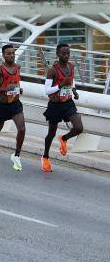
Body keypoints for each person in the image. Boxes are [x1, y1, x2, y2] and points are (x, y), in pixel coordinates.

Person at [41, 43, 84, 172]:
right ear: (57, 54)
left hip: (68, 103)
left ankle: (64, 138)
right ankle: (45, 157)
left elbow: (71, 81)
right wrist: (60, 85)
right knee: (51, 133)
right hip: (55, 105)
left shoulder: (71, 66)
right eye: (63, 53)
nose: (66, 56)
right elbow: (47, 91)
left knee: (79, 128)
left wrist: (74, 91)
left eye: (68, 53)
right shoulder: (52, 70)